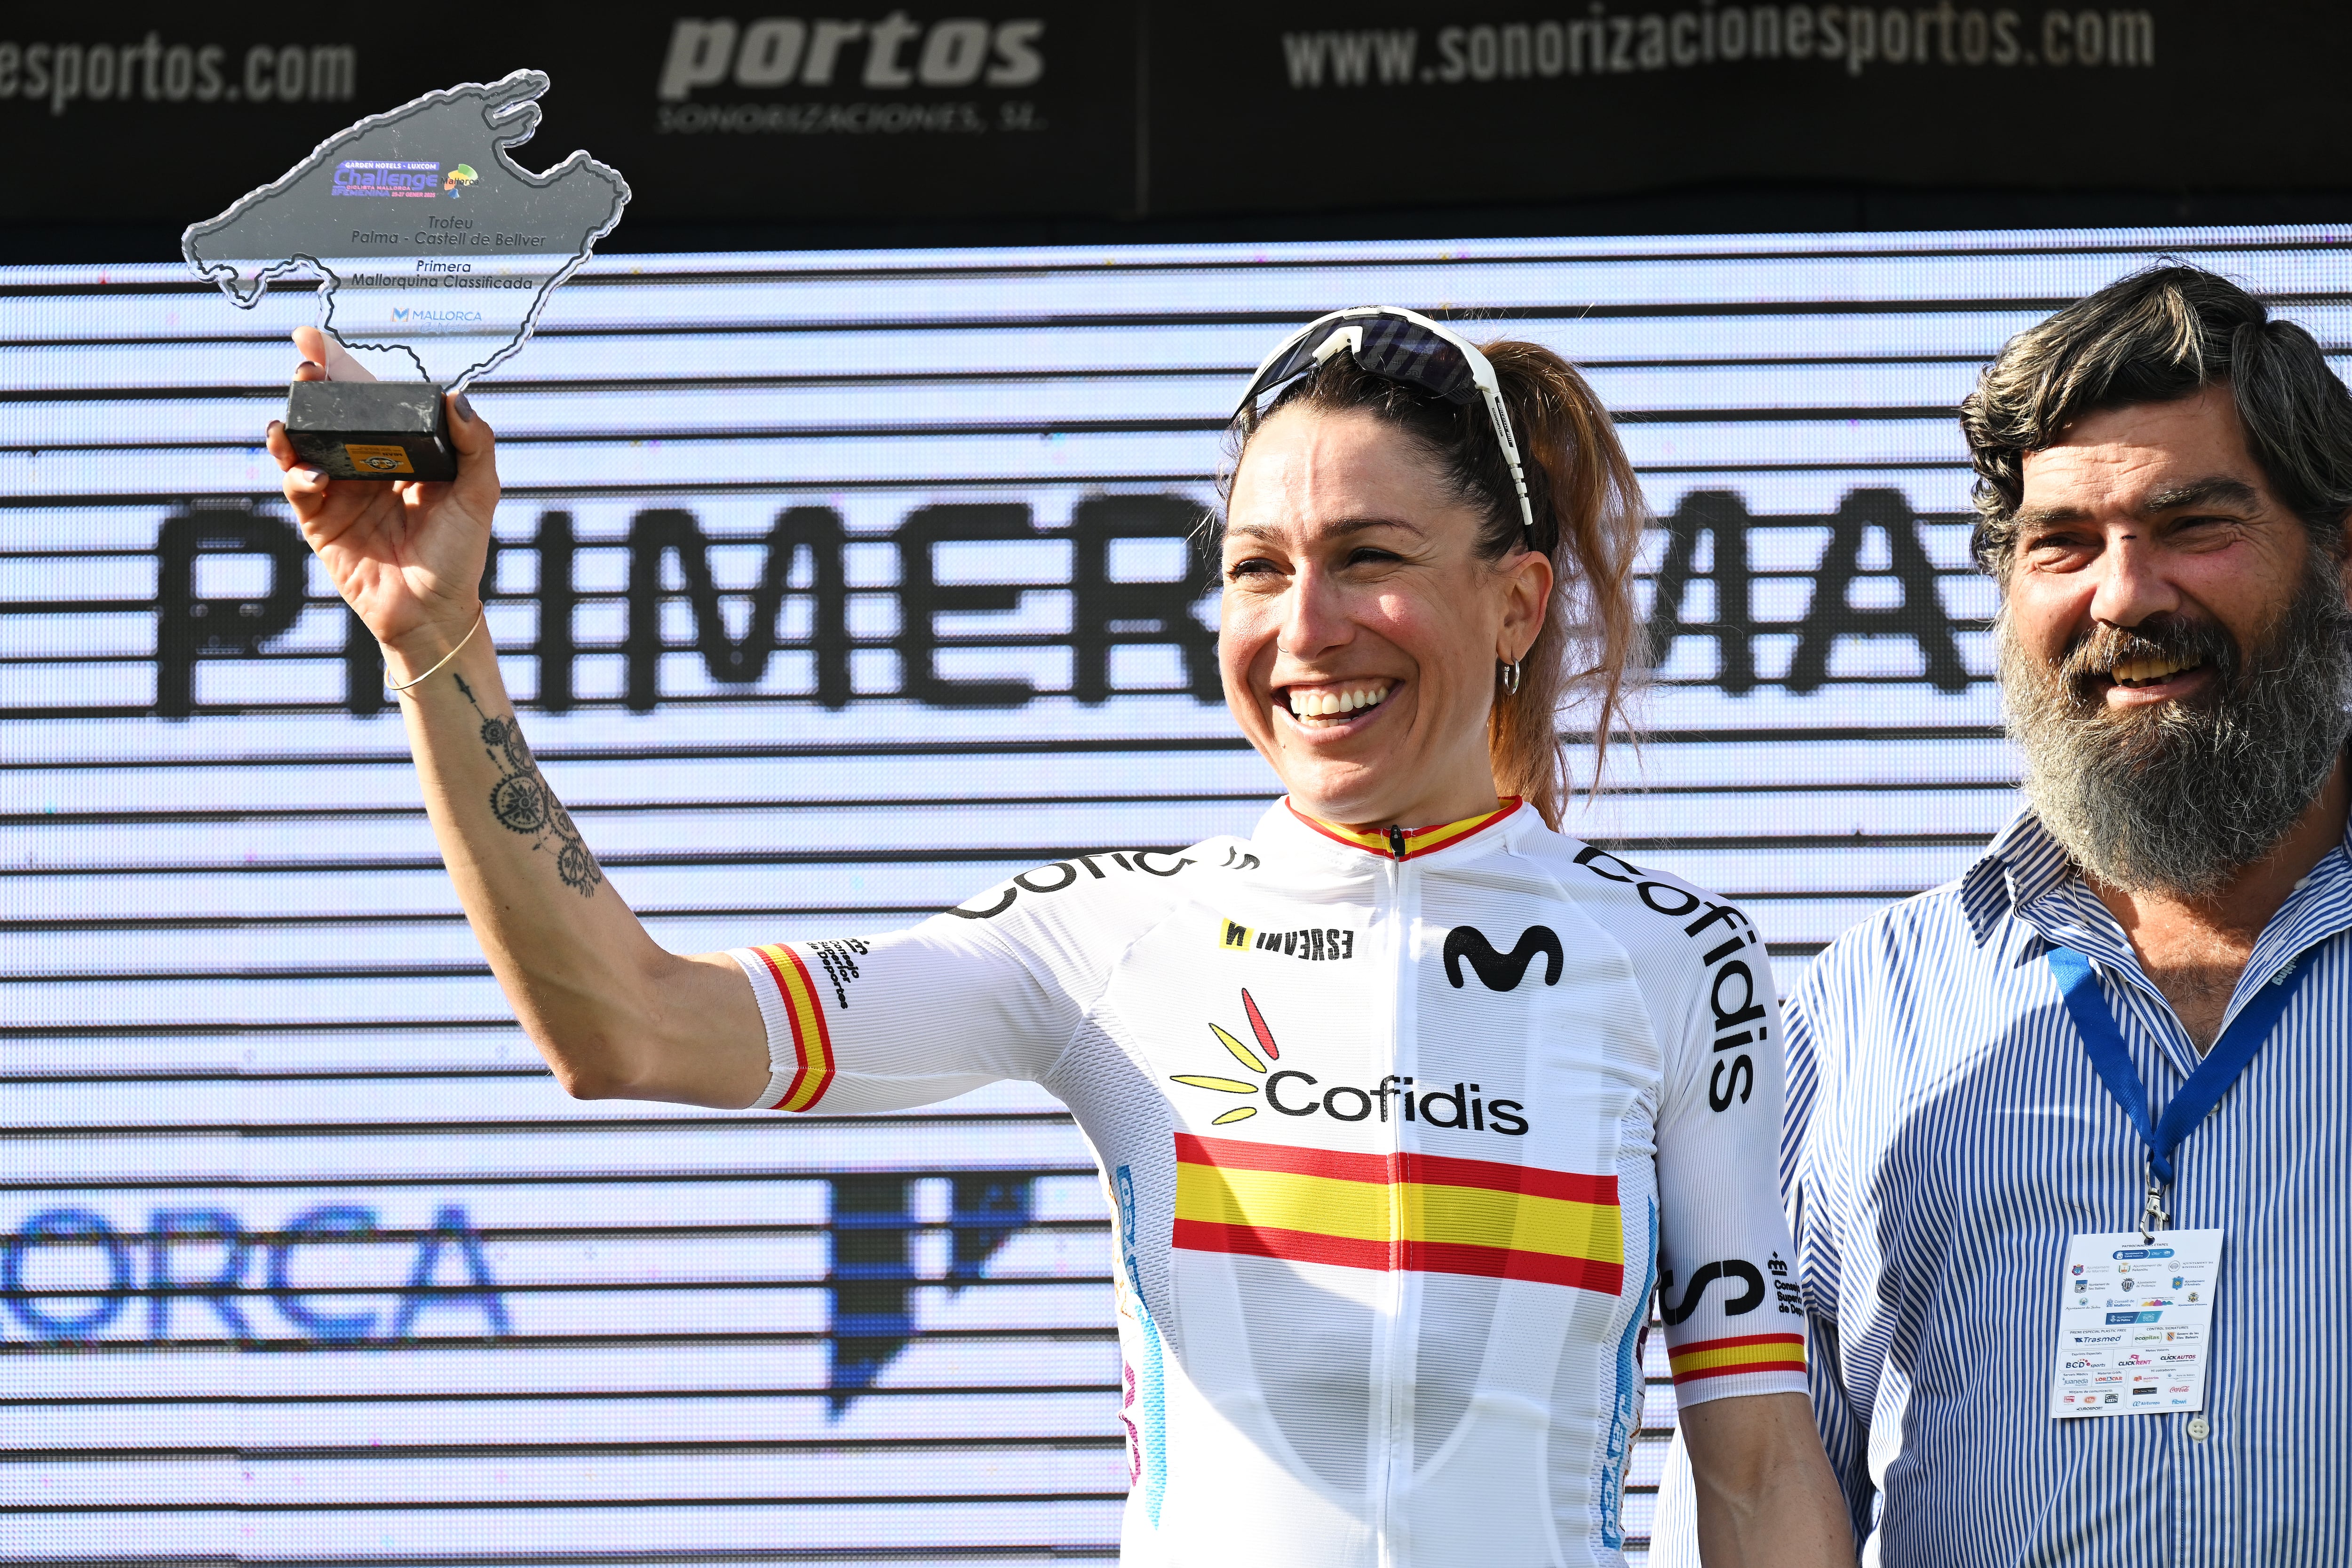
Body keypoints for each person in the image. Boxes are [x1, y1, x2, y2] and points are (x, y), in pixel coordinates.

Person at [268, 307, 1853, 1567]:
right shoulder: (1118, 935)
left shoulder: (1679, 959)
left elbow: (1760, 1469)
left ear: (1517, 603)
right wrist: (437, 639)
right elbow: (629, 1027)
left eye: (1370, 559)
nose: (1305, 630)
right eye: (1257, 569)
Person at [1655, 263, 2352, 1566]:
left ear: (2343, 560)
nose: (2125, 597)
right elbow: (1748, 1503)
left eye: (2194, 525)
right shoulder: (1857, 1017)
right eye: (2062, 544)